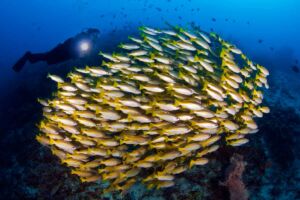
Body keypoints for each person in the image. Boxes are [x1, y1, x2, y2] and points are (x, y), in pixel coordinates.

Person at [12, 28, 100, 72]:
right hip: (63, 50)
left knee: (47, 59)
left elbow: (80, 52)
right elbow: (76, 47)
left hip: (66, 54)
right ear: (92, 33)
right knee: (47, 57)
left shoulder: (89, 41)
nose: (96, 37)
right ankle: (28, 56)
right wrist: (80, 54)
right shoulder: (84, 37)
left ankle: (30, 58)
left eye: (97, 36)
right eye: (95, 35)